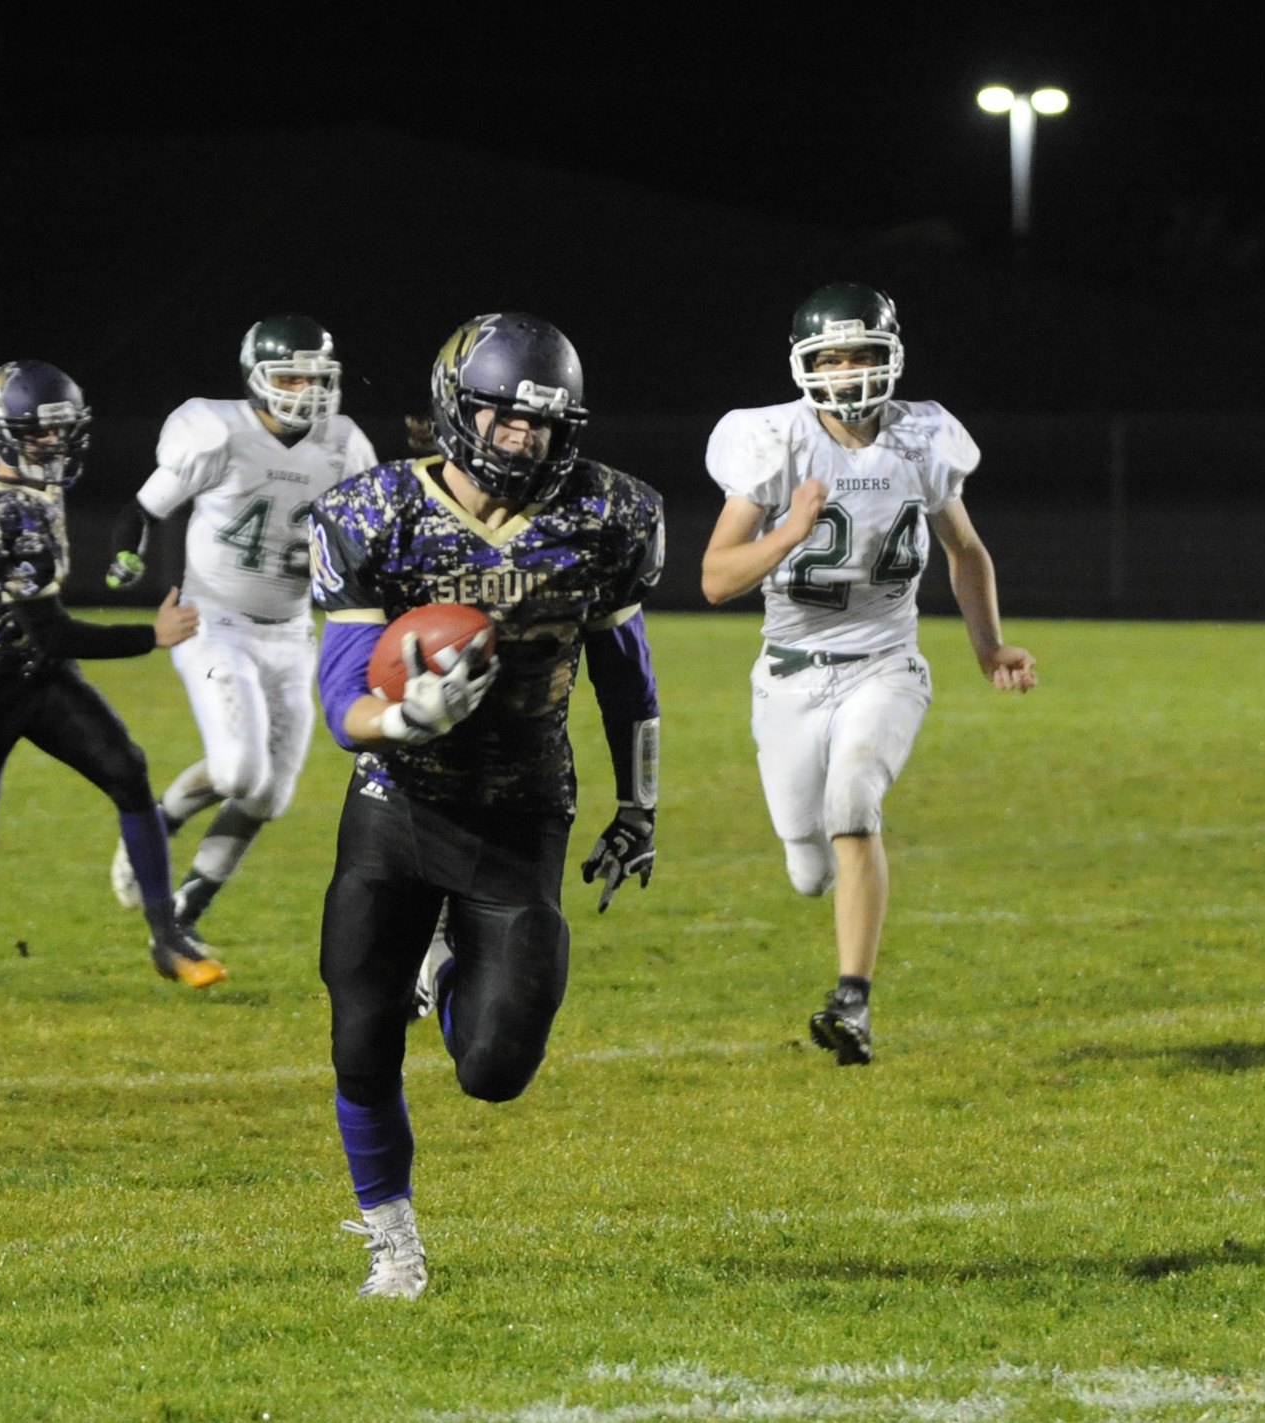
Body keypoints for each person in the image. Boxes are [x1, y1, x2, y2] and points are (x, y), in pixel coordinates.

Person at [308, 312, 665, 1298]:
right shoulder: (371, 510)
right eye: (503, 419)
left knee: (493, 1068)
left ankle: (452, 953)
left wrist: (640, 803)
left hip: (519, 809)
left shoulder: (609, 515)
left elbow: (625, 678)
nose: (524, 439)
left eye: (543, 425)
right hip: (395, 801)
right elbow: (340, 696)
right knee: (361, 1033)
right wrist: (400, 714)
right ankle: (391, 1241)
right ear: (455, 409)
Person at [701, 281, 1037, 1066]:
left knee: (854, 798)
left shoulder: (922, 439)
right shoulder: (775, 442)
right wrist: (789, 532)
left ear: (892, 358)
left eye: (864, 355)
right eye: (834, 357)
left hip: (886, 665)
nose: (850, 373)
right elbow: (716, 578)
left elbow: (967, 552)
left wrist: (990, 648)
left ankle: (852, 999)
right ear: (805, 364)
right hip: (787, 677)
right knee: (806, 865)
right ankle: (817, 869)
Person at [0, 360, 224, 995]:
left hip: (39, 675)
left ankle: (168, 937)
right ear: (3, 436)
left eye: (61, 432)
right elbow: (52, 631)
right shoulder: (3, 514)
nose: (53, 446)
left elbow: (43, 643)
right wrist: (151, 637)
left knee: (127, 772)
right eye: (39, 436)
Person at [101, 314, 379, 948]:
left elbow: (371, 532)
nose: (306, 392)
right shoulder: (218, 432)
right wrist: (127, 555)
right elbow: (142, 509)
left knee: (268, 798)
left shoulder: (344, 443)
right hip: (213, 621)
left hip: (291, 630)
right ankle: (154, 824)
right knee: (235, 772)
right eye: (290, 376)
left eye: (316, 378)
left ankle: (188, 912)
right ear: (257, 379)